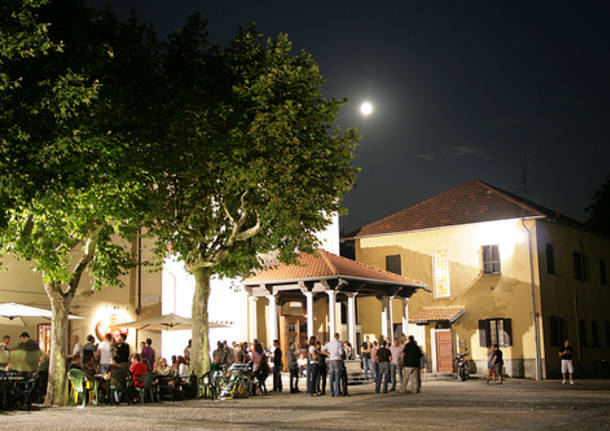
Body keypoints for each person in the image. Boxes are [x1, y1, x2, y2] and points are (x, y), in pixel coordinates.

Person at [324, 333, 344, 397]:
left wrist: (328, 354)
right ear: (337, 337)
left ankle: (331, 392)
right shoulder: (338, 343)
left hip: (331, 360)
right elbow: (341, 353)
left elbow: (323, 349)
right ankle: (337, 392)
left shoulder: (329, 343)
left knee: (331, 377)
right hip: (337, 360)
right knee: (337, 377)